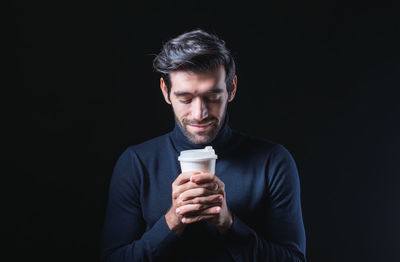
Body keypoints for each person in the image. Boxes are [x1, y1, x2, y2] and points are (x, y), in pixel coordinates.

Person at [100, 29, 306, 262]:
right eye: (185, 99)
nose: (199, 114)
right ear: (165, 91)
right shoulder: (136, 163)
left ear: (232, 89)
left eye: (212, 97)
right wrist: (172, 221)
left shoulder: (272, 161)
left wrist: (228, 224)